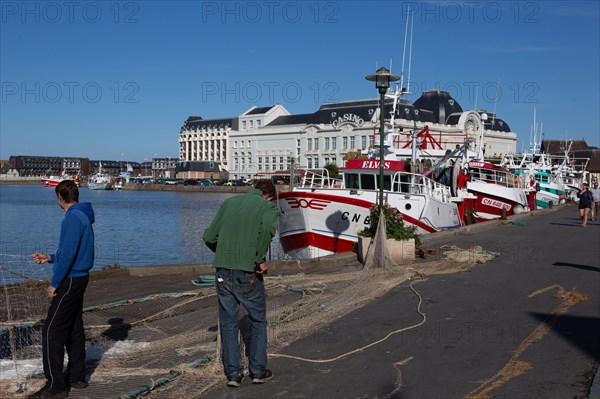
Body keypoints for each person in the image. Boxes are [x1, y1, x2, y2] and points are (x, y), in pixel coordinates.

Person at [203, 180, 279, 388]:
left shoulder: (230, 203)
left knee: (228, 323)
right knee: (258, 319)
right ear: (269, 196)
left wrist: (225, 253)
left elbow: (209, 236)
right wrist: (257, 259)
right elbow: (266, 232)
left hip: (222, 271)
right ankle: (258, 370)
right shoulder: (268, 207)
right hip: (248, 272)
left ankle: (234, 374)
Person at [29, 180, 95, 399]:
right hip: (80, 277)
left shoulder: (73, 217)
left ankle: (56, 385)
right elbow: (72, 252)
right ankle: (77, 377)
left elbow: (69, 254)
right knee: (74, 327)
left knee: (51, 331)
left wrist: (54, 282)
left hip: (70, 280)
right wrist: (50, 258)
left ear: (60, 197)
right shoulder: (83, 215)